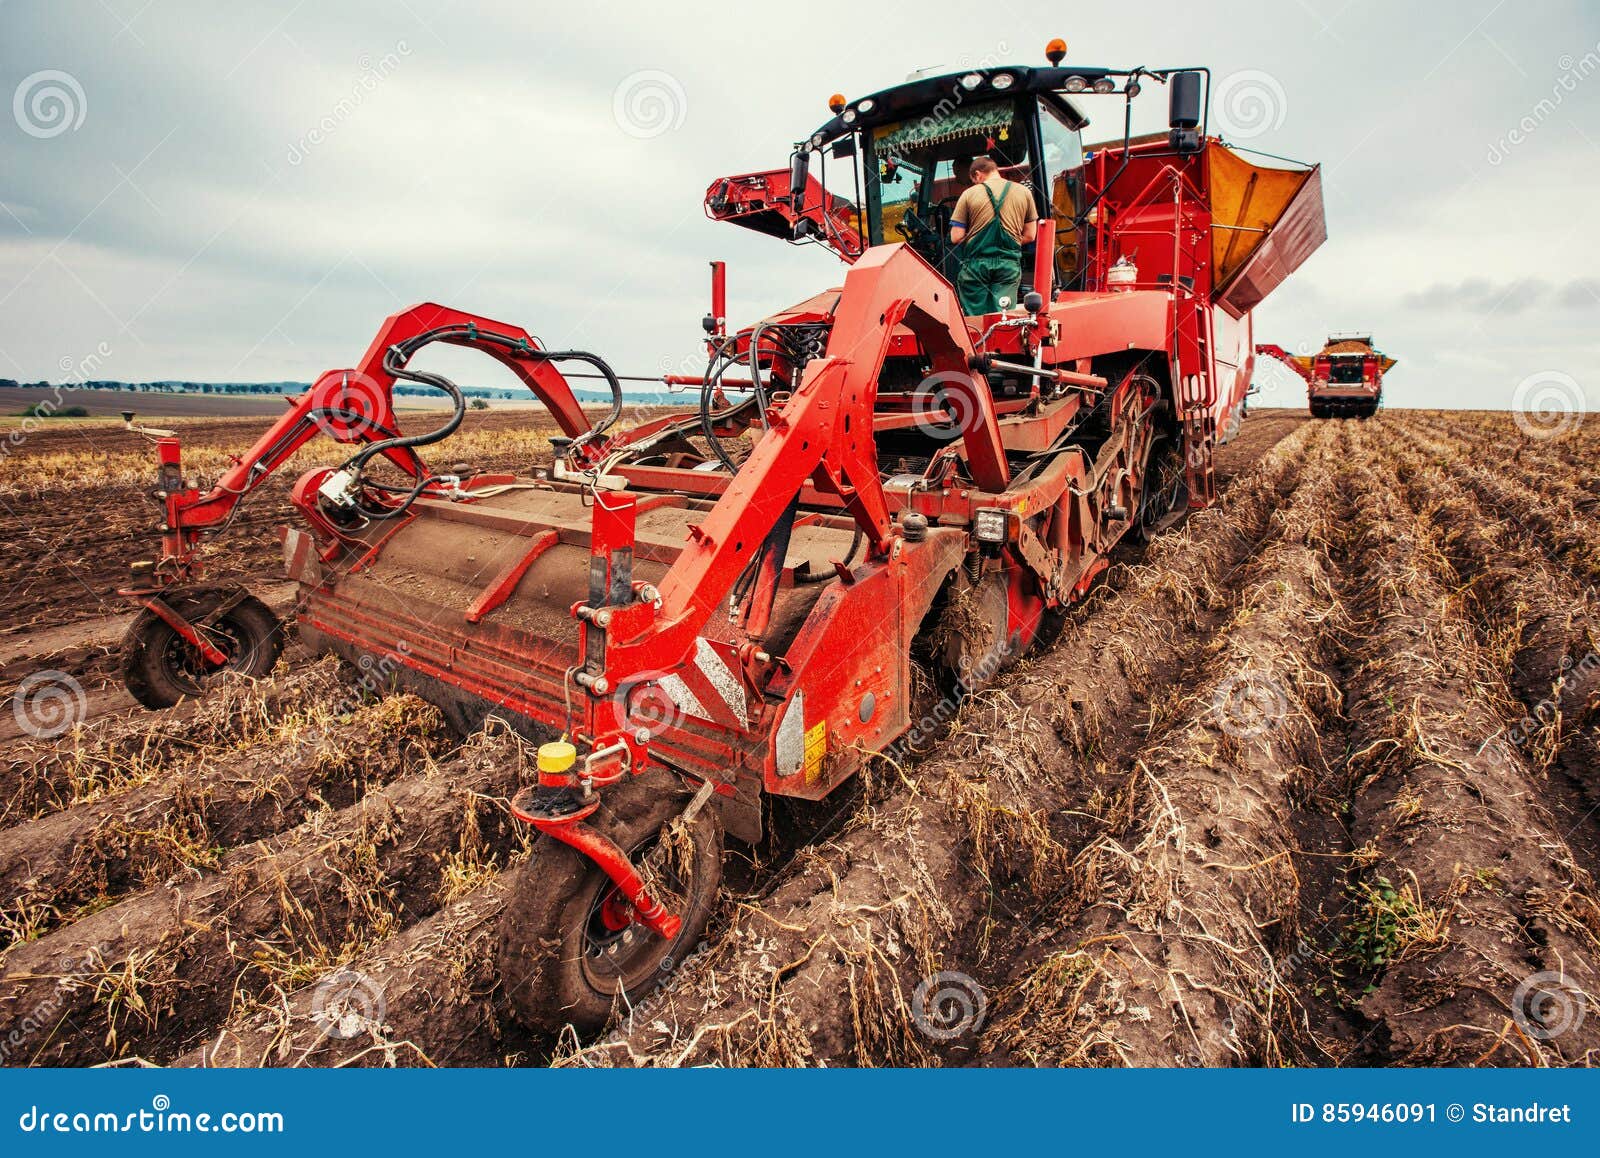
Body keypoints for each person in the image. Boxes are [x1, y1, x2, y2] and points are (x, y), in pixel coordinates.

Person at [949, 156, 1038, 315]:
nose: (976, 184)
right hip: (1008, 265)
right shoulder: (1024, 192)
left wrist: (976, 239)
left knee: (976, 319)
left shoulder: (968, 195)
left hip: (976, 267)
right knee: (1002, 314)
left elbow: (955, 237)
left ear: (977, 175)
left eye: (974, 180)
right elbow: (1031, 235)